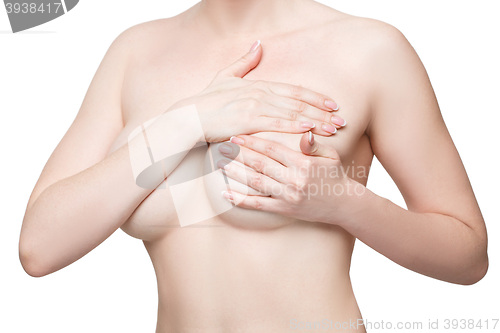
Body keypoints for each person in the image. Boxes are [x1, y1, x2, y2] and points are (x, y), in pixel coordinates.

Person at [19, 0, 488, 332]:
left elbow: (468, 257)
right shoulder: (134, 52)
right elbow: (39, 248)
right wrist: (187, 122)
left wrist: (347, 203)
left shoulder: (371, 49)